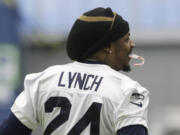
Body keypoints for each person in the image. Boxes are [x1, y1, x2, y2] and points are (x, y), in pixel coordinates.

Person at [0, 7, 149, 135]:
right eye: (126, 39)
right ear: (107, 47)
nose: (132, 44)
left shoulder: (43, 80)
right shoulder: (128, 91)